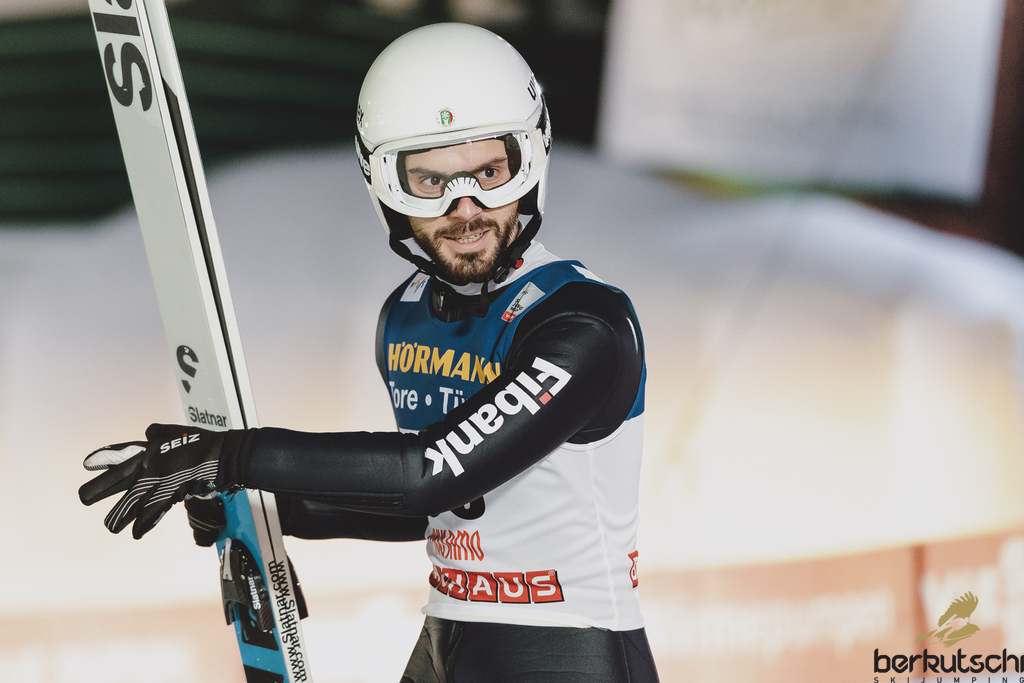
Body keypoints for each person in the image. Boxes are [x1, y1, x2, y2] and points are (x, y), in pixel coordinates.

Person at [79, 23, 659, 682]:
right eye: (429, 180)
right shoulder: (405, 315)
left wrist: (234, 455)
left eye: (490, 172)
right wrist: (265, 505)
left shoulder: (584, 324)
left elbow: (432, 471)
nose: (465, 207)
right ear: (383, 183)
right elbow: (427, 507)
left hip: (569, 651)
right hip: (448, 638)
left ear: (531, 159)